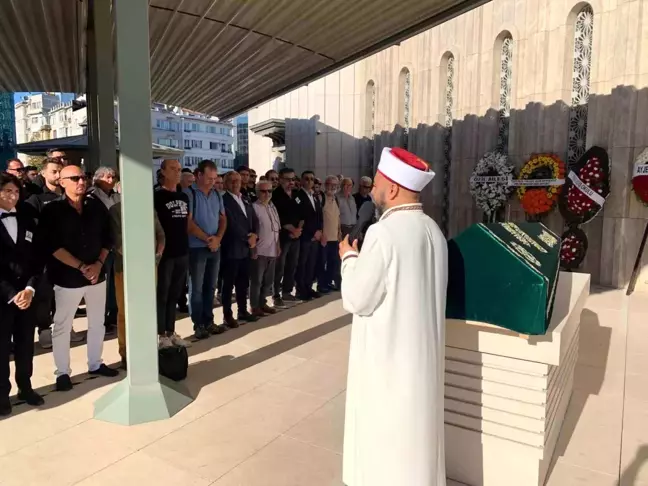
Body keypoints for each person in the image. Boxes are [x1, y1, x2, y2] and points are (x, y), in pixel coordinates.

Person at [338, 147, 446, 486]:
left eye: (378, 183)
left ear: (394, 189)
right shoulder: (433, 231)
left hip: (388, 366)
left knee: (386, 452)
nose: (372, 190)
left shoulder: (383, 233)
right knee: (417, 448)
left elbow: (357, 297)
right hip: (421, 365)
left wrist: (348, 258)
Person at [39, 165, 119, 391]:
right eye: (74, 178)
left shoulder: (96, 206)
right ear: (62, 182)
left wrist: (98, 264)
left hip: (97, 275)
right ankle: (62, 373)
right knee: (62, 326)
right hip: (67, 278)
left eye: (83, 177)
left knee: (97, 323)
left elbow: (108, 239)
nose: (81, 182)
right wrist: (82, 266)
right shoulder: (52, 210)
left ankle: (95, 363)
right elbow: (52, 246)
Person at [24, 158, 83, 349]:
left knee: (65, 295)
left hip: (68, 256)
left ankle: (66, 327)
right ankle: (44, 329)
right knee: (44, 295)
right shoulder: (36, 199)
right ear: (44, 173)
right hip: (44, 258)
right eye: (53, 171)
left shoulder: (70, 199)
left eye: (60, 171)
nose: (57, 175)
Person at [0, 173, 45, 415]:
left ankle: (25, 387)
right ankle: (1, 394)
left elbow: (37, 258)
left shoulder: (27, 219)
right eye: (7, 191)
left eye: (16, 191)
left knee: (26, 345)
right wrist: (12, 294)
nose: (12, 196)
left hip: (27, 295)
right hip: (3, 298)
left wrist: (29, 288)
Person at [109, 199, 167, 369]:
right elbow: (117, 242)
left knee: (147, 309)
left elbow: (160, 234)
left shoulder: (148, 207)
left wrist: (157, 255)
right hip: (126, 269)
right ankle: (126, 352)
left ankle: (146, 350)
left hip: (150, 267)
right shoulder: (116, 210)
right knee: (125, 312)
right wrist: (137, 262)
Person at [185, 160, 227, 340]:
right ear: (199, 175)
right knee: (197, 288)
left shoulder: (217, 195)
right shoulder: (189, 194)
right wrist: (207, 239)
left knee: (211, 286)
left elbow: (223, 219)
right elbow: (188, 223)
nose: (212, 182)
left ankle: (209, 321)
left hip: (214, 247)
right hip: (197, 248)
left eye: (214, 178)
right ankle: (199, 324)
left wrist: (217, 238)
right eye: (209, 178)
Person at [154, 159, 191, 348]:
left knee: (175, 294)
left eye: (178, 169)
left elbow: (187, 222)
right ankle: (160, 334)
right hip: (164, 254)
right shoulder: (156, 196)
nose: (177, 172)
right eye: (173, 169)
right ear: (163, 172)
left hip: (182, 251)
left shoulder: (184, 196)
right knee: (162, 294)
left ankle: (170, 331)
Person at [221, 171, 258, 328]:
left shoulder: (245, 198)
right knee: (228, 285)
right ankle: (227, 315)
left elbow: (254, 219)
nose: (235, 183)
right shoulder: (224, 200)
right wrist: (247, 237)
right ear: (225, 183)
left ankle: (242, 311)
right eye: (231, 181)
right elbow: (231, 224)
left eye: (237, 180)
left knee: (243, 283)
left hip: (246, 249)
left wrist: (255, 235)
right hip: (232, 248)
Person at [87, 167, 120, 335]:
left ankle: (112, 317)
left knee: (115, 285)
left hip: (117, 246)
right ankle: (103, 319)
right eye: (108, 176)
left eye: (113, 177)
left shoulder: (117, 196)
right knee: (103, 286)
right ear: (98, 178)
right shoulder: (91, 197)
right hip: (101, 247)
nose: (111, 179)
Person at [271, 167, 301, 308]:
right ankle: (275, 294)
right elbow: (278, 217)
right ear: (281, 179)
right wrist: (292, 229)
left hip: (296, 236)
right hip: (282, 237)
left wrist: (299, 229)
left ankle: (287, 292)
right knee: (279, 267)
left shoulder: (296, 194)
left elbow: (303, 212)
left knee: (292, 265)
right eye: (288, 179)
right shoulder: (275, 195)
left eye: (293, 179)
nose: (291, 182)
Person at [250, 180, 280, 317]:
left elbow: (276, 229)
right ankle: (254, 306)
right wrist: (253, 249)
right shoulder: (254, 207)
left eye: (270, 191)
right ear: (257, 192)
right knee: (257, 281)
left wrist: (278, 245)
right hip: (259, 249)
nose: (267, 194)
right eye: (263, 191)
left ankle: (262, 303)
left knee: (268, 280)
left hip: (272, 248)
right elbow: (251, 230)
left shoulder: (273, 206)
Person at [294, 170, 323, 301]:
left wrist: (320, 231)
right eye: (306, 179)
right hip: (305, 236)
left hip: (315, 236)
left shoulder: (315, 196)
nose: (309, 181)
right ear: (301, 181)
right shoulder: (298, 196)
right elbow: (301, 216)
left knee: (311, 264)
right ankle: (301, 290)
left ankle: (308, 287)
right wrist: (312, 232)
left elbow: (319, 216)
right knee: (303, 264)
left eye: (312, 179)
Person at [318, 175, 341, 293]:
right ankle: (321, 285)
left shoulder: (335, 199)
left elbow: (337, 218)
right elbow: (318, 217)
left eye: (335, 185)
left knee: (333, 263)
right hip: (324, 238)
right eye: (330, 184)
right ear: (325, 185)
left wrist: (339, 232)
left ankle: (328, 282)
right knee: (322, 263)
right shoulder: (321, 198)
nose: (333, 187)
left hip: (334, 237)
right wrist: (321, 233)